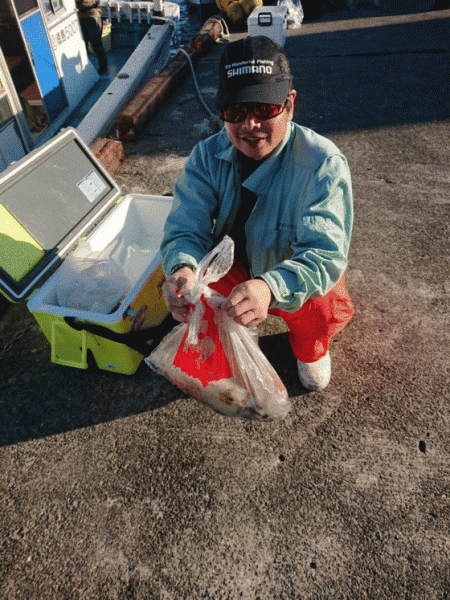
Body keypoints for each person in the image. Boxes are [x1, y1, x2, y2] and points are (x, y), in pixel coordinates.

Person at [160, 36, 355, 392]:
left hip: (290, 268)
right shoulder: (206, 156)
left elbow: (325, 254)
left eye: (264, 109)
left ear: (289, 105)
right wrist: (182, 267)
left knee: (321, 304)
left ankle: (309, 347)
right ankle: (223, 341)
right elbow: (185, 225)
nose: (250, 125)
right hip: (235, 266)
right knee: (195, 296)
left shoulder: (323, 164)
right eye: (235, 111)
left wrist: (269, 287)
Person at [76, 0, 108, 75]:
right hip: (81, 16)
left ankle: (103, 67)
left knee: (96, 44)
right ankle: (85, 66)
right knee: (83, 44)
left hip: (92, 15)